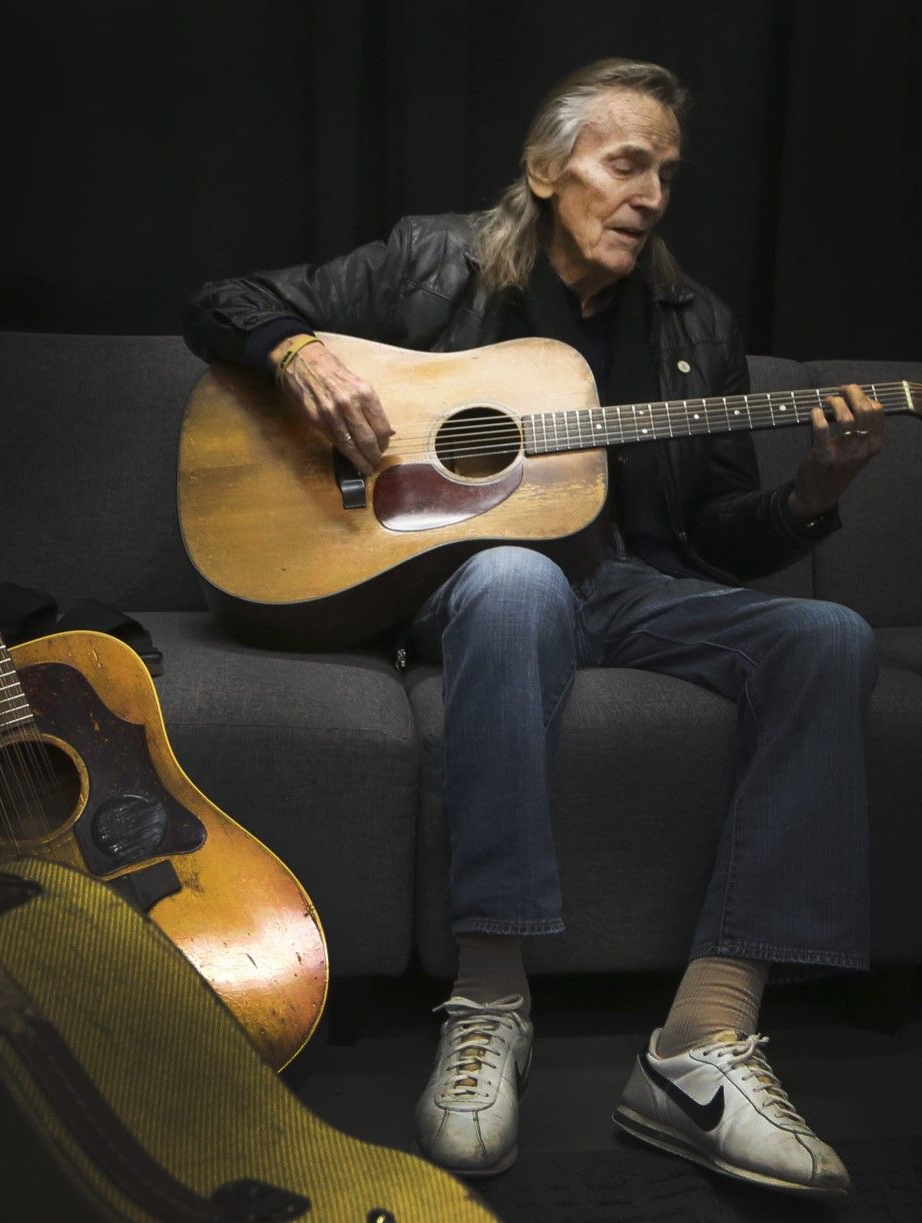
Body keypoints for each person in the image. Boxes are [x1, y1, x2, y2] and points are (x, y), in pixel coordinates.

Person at [186, 57, 882, 1198]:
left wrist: (811, 492)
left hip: (630, 586)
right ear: (546, 168)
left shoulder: (692, 322)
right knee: (514, 575)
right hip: (466, 583)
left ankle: (702, 1041)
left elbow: (717, 530)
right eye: (625, 162)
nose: (650, 191)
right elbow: (218, 301)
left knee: (831, 635)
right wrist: (297, 352)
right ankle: (490, 999)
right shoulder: (430, 257)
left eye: (664, 171)